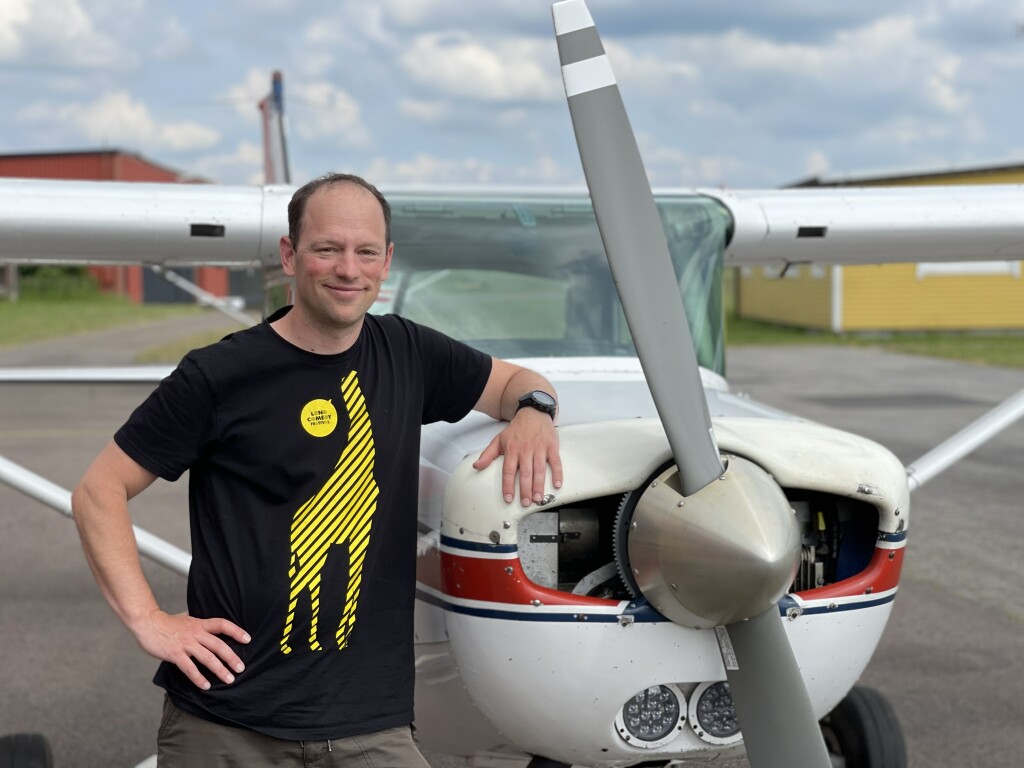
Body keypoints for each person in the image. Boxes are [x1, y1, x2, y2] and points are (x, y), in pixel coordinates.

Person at [71, 172, 563, 767]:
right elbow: (100, 491)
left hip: (371, 727)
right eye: (327, 248)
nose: (347, 269)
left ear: (387, 263)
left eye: (365, 252)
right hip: (228, 723)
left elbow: (516, 382)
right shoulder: (219, 374)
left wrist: (535, 412)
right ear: (290, 255)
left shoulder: (409, 352)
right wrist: (148, 620)